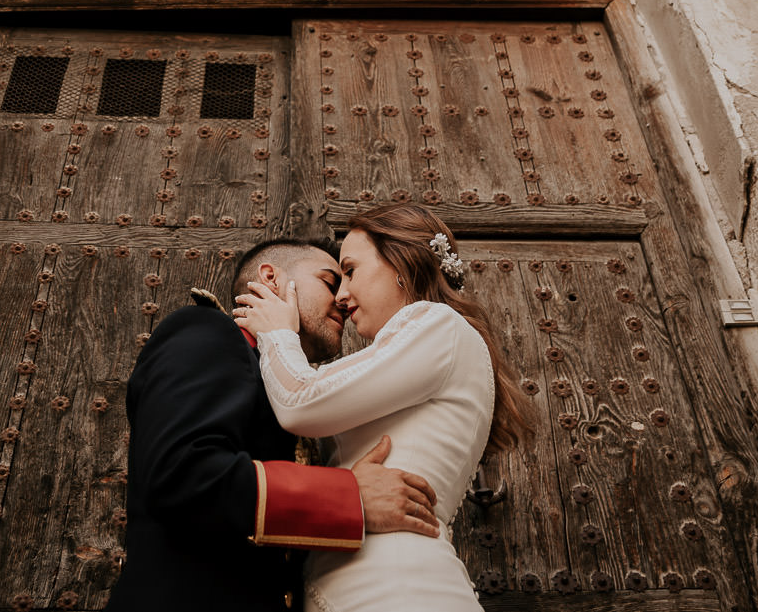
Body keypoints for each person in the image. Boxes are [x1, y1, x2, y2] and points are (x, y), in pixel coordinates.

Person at [105, 238, 442, 612]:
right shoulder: (208, 332)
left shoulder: (287, 396)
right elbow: (180, 471)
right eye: (331, 282)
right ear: (271, 278)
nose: (345, 300)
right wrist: (350, 497)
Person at [235, 206, 529, 612]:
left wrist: (277, 333)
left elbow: (301, 402)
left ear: (400, 266)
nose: (341, 295)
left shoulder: (438, 324)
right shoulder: (411, 350)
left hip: (398, 589)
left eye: (351, 271)